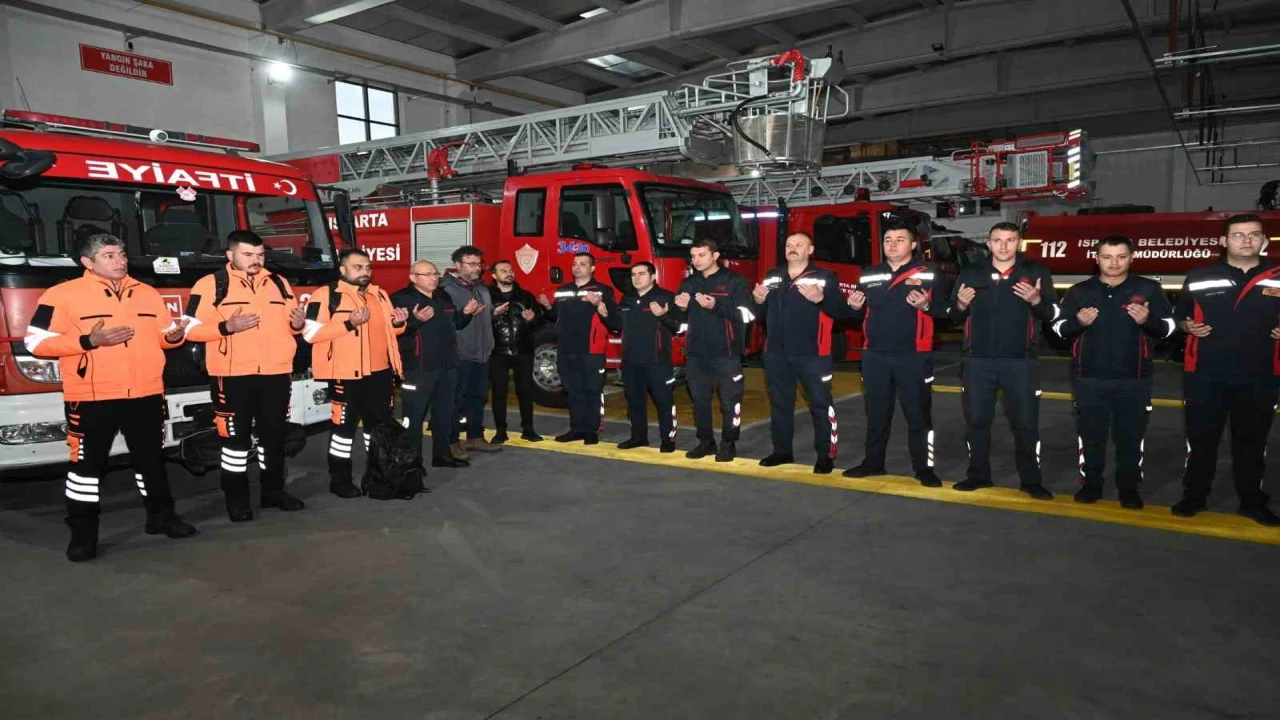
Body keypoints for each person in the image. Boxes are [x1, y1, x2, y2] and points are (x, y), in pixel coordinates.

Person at [25, 233, 195, 562]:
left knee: (151, 461)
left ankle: (162, 518)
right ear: (87, 262)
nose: (120, 261)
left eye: (121, 254)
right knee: (86, 468)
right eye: (109, 256)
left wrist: (173, 337)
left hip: (146, 392)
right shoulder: (61, 295)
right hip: (93, 396)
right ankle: (83, 535)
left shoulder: (146, 293)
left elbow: (162, 336)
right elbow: (35, 342)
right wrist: (88, 340)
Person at [185, 230, 307, 522]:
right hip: (232, 376)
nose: (256, 260)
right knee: (235, 443)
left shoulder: (279, 283)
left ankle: (273, 492)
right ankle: (237, 501)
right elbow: (189, 330)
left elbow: (291, 326)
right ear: (230, 255)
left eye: (260, 254)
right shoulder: (211, 284)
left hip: (276, 373)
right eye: (248, 254)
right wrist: (226, 327)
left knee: (274, 438)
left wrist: (298, 324)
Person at [1173, 214, 1280, 525]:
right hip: (1205, 374)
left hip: (1261, 375)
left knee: (1252, 443)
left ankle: (1252, 501)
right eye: (1238, 235)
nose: (1246, 240)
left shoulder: (1277, 275)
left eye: (1253, 234)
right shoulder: (1199, 276)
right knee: (1201, 440)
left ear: (1264, 240)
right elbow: (1179, 316)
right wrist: (1187, 326)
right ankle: (1195, 496)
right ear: (1223, 241)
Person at [1053, 236, 1175, 509]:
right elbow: (1058, 330)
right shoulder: (1079, 291)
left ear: (1131, 258)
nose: (1114, 263)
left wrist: (1148, 321)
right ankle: (1092, 484)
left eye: (1121, 256)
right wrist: (1077, 322)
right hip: (1088, 377)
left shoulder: (1149, 289)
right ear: (1097, 259)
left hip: (1134, 377)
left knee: (1130, 437)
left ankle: (1128, 488)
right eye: (1107, 257)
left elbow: (1169, 328)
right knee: (1091, 435)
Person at [947, 221, 1060, 499]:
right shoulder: (971, 272)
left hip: (1021, 362)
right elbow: (953, 315)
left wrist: (1036, 300)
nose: (1004, 246)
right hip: (977, 361)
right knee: (977, 421)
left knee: (1025, 424)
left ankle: (1031, 481)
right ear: (989, 243)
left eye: (1010, 240)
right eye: (997, 240)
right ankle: (978, 475)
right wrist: (961, 304)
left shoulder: (1036, 272)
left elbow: (1052, 314)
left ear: (1019, 243)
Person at [843, 221, 950, 485]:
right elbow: (858, 313)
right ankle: (873, 463)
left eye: (900, 239)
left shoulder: (930, 272)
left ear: (913, 245)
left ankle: (924, 469)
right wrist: (852, 308)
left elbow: (947, 312)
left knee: (918, 416)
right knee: (876, 414)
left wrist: (926, 306)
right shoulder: (869, 274)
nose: (892, 244)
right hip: (874, 355)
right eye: (888, 239)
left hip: (913, 355)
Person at [301, 249, 408, 498]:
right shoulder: (326, 295)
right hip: (345, 375)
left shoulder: (379, 294)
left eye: (368, 267)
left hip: (380, 373)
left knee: (377, 430)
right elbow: (310, 334)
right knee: (343, 432)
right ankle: (340, 480)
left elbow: (389, 332)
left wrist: (398, 323)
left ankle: (378, 475)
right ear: (343, 270)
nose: (365, 272)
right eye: (358, 267)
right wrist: (349, 323)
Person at [751, 232, 855, 474]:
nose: (793, 248)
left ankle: (826, 455)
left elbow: (841, 312)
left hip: (813, 354)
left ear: (810, 250)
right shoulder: (773, 276)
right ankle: (782, 451)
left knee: (821, 405)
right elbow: (762, 315)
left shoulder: (825, 277)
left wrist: (821, 299)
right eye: (789, 244)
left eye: (799, 244)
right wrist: (758, 301)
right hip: (776, 353)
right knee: (780, 405)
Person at [392, 260, 482, 471]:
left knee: (444, 414)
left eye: (435, 274)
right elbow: (392, 330)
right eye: (427, 274)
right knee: (413, 417)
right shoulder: (401, 298)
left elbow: (455, 324)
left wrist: (466, 313)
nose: (433, 278)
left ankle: (442, 455)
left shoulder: (442, 296)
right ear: (413, 277)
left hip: (447, 365)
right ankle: (412, 462)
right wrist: (415, 320)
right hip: (419, 368)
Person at [675, 239, 754, 462]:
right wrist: (679, 309)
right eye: (693, 256)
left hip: (726, 353)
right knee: (699, 401)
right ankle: (706, 441)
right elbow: (679, 321)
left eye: (701, 255)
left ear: (715, 256)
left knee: (730, 401)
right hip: (696, 353)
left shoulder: (735, 281)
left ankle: (729, 443)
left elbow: (748, 314)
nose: (696, 260)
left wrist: (715, 306)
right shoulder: (689, 283)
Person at [536, 252, 618, 444]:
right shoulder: (563, 290)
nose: (577, 267)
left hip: (591, 350)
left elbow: (613, 318)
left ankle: (591, 431)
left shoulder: (602, 290)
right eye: (574, 264)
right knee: (572, 391)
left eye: (582, 264)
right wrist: (547, 307)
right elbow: (556, 316)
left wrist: (599, 304)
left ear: (592, 268)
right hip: (566, 349)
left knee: (593, 390)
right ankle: (577, 429)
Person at [608, 262, 684, 452]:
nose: (637, 278)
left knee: (664, 401)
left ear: (653, 277)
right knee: (634, 401)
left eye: (642, 274)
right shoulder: (627, 298)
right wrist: (604, 314)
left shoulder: (666, 297)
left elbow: (678, 328)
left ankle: (668, 440)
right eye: (633, 274)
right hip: (631, 361)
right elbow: (616, 326)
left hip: (657, 361)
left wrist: (663, 315)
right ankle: (638, 437)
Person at [440, 245, 500, 459]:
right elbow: (447, 322)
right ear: (457, 265)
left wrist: (493, 314)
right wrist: (466, 313)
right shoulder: (446, 289)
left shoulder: (482, 289)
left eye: (479, 264)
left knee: (478, 398)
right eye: (471, 264)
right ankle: (452, 441)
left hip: (482, 354)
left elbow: (485, 319)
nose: (477, 268)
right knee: (455, 400)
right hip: (460, 355)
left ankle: (475, 437)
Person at [488, 259, 543, 443]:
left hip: (523, 351)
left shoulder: (526, 296)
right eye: (503, 270)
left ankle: (528, 429)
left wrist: (533, 319)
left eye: (511, 270)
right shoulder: (486, 296)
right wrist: (493, 314)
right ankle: (500, 431)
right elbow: (478, 322)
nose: (509, 273)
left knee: (526, 391)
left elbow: (540, 322)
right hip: (497, 352)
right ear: (494, 275)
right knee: (499, 392)